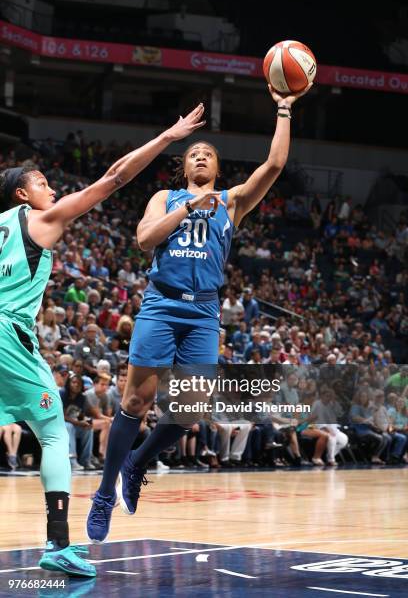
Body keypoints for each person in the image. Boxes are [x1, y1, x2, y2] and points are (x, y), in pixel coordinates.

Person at [87, 83, 312, 542]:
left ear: (218, 168)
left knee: (191, 411)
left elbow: (274, 164)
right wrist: (190, 206)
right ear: (184, 166)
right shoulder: (166, 198)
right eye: (195, 154)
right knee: (135, 403)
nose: (202, 157)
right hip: (162, 303)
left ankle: (138, 462)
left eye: (208, 153)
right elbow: (145, 240)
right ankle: (104, 494)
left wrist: (284, 108)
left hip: (204, 312)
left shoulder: (233, 202)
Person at [0, 103, 205, 575]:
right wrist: (166, 138)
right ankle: (58, 544)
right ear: (22, 195)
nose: (52, 190)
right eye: (44, 184)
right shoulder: (39, 221)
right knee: (52, 432)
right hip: (10, 334)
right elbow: (111, 180)